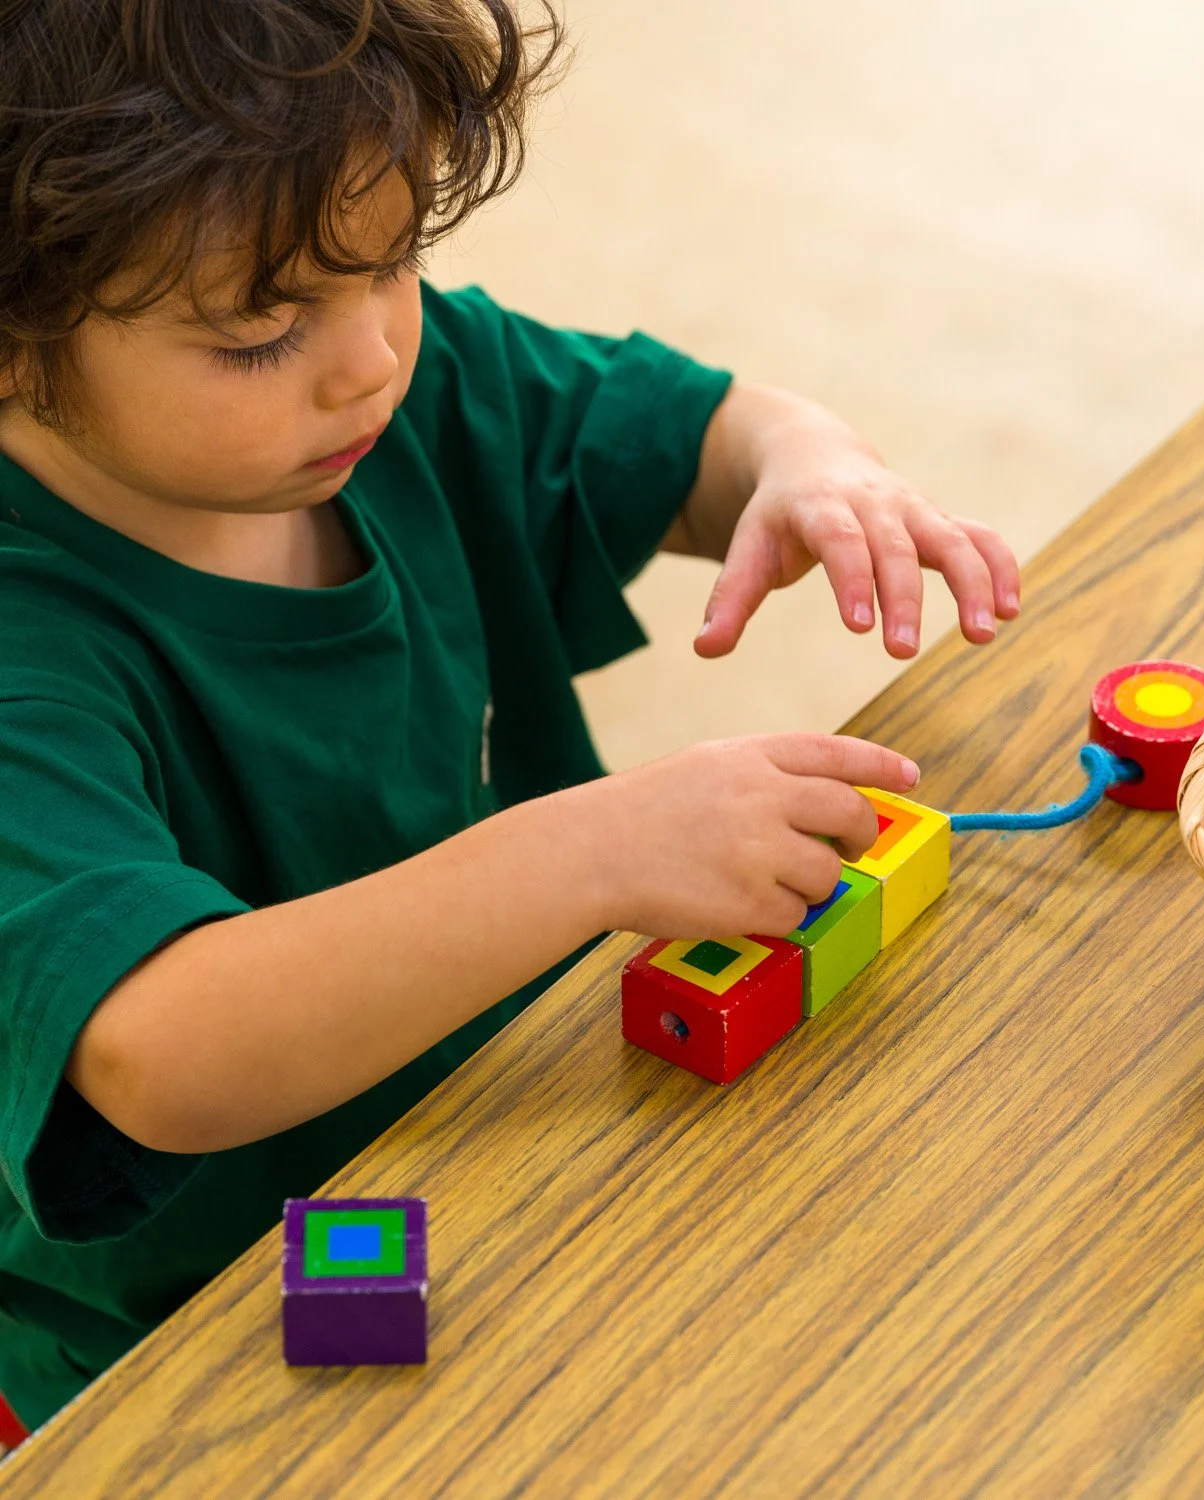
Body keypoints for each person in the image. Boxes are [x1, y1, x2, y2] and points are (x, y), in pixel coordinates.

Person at [0, 0, 1021, 1430]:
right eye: (258, 328)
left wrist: (807, 466)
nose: (368, 356)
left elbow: (697, 431)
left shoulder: (402, 397)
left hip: (517, 1133)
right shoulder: (25, 660)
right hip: (197, 1351)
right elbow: (160, 1052)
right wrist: (588, 856)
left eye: (396, 262)